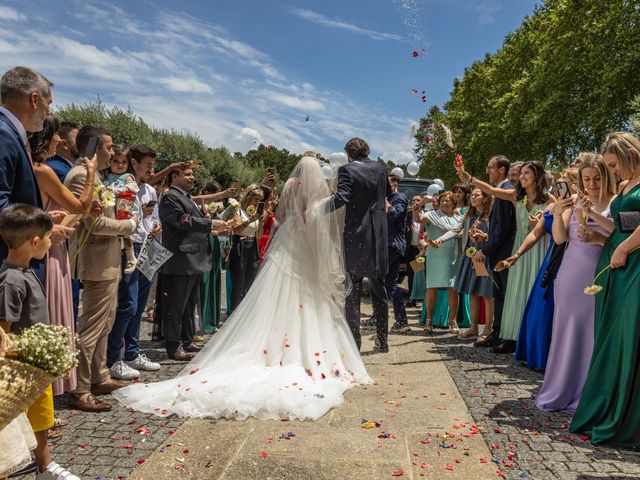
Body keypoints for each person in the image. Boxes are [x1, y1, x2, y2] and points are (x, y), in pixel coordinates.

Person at [114, 156, 371, 420]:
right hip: (303, 246)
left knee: (273, 294)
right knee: (307, 297)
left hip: (287, 243)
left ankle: (264, 344)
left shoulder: (290, 185)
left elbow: (282, 215)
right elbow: (316, 220)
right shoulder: (319, 191)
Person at [570, 132, 640, 449]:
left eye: (614, 165)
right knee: (610, 337)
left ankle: (625, 416)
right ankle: (607, 407)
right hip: (617, 265)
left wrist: (623, 249)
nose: (613, 172)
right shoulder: (626, 185)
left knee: (626, 336)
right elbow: (618, 227)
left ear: (628, 152)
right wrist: (593, 220)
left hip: (633, 265)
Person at [0, 204, 80, 480]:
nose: (51, 242)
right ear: (35, 242)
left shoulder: (25, 268)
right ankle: (40, 466)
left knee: (41, 414)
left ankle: (45, 466)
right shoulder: (11, 280)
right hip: (21, 369)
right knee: (20, 419)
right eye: (48, 237)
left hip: (34, 366)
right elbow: (4, 330)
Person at [64, 125, 139, 412]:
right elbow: (92, 223)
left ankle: (99, 375)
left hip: (107, 260)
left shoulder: (95, 177)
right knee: (92, 327)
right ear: (94, 145)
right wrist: (128, 225)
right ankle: (80, 389)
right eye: (108, 147)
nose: (112, 151)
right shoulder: (82, 175)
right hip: (95, 260)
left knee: (105, 323)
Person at [536, 155, 615, 412]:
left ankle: (588, 394)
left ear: (606, 177)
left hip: (598, 276)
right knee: (566, 332)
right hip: (569, 277)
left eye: (597, 178)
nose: (592, 184)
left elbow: (618, 234)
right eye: (587, 179)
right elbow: (559, 239)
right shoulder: (574, 202)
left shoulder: (615, 202)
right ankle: (561, 389)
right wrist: (559, 212)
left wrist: (593, 222)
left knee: (592, 333)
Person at [29, 115, 97, 396]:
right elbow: (80, 205)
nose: (60, 140)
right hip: (49, 250)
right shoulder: (43, 170)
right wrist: (90, 170)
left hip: (41, 243)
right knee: (52, 320)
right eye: (56, 135)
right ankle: (46, 396)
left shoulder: (30, 168)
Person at [461, 161, 552, 354]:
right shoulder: (515, 196)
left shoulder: (550, 199)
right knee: (516, 292)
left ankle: (532, 339)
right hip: (518, 247)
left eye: (526, 173)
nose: (522, 176)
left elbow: (553, 224)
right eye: (521, 174)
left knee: (532, 292)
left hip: (539, 248)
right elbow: (491, 189)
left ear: (537, 176)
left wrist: (541, 223)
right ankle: (512, 337)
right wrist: (470, 179)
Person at [0, 66, 73, 270]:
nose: (49, 111)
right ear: (34, 99)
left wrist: (44, 219)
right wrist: (43, 227)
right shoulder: (4, 135)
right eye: (48, 103)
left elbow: (12, 204)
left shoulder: (10, 134)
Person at [158, 163, 229, 361]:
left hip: (192, 258)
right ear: (174, 176)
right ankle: (174, 345)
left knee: (190, 304)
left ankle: (187, 339)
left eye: (192, 175)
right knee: (176, 305)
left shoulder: (185, 197)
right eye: (187, 174)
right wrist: (210, 223)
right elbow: (181, 220)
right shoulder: (170, 197)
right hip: (181, 259)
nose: (192, 178)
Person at [107, 144, 162, 380]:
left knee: (139, 304)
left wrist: (155, 225)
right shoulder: (122, 186)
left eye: (153, 165)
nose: (151, 169)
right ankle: (113, 358)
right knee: (127, 303)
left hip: (148, 246)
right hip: (129, 246)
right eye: (147, 165)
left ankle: (132, 352)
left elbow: (154, 219)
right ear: (134, 163)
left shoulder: (150, 190)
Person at [332, 138, 392, 353]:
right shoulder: (381, 169)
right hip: (379, 235)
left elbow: (342, 198)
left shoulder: (347, 170)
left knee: (353, 288)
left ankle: (354, 343)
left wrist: (319, 208)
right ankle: (383, 341)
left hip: (357, 234)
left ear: (349, 154)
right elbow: (387, 196)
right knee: (379, 288)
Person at [465, 156, 516, 348]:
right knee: (498, 293)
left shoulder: (507, 189)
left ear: (501, 169)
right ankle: (498, 332)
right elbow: (497, 229)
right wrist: (485, 238)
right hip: (497, 250)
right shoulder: (501, 190)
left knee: (502, 294)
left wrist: (486, 250)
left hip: (503, 253)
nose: (488, 171)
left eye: (490, 167)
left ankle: (502, 334)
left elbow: (503, 228)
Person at [434, 188, 494, 341]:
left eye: (477, 195)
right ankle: (473, 328)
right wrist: (441, 239)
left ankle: (487, 330)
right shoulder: (468, 216)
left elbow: (495, 237)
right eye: (472, 195)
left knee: (487, 295)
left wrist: (484, 239)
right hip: (470, 257)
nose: (473, 197)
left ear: (485, 198)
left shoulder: (491, 215)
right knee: (472, 292)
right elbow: (455, 230)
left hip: (486, 257)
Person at [420, 191, 463, 334]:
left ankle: (453, 320)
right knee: (432, 288)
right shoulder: (431, 215)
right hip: (435, 256)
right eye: (442, 200)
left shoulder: (459, 218)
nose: (445, 202)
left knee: (453, 289)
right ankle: (429, 320)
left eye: (448, 200)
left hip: (453, 257)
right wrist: (418, 206)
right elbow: (419, 220)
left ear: (453, 203)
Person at [222, 184, 263, 311]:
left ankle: (246, 313)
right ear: (248, 197)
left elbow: (258, 234)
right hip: (240, 246)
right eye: (256, 199)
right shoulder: (237, 209)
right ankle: (235, 314)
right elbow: (236, 229)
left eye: (260, 200)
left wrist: (259, 221)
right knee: (238, 284)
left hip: (252, 247)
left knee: (250, 283)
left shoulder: (254, 212)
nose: (258, 202)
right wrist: (250, 220)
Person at [103, 144, 141, 274]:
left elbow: (133, 189)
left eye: (124, 162)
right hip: (114, 209)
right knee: (116, 233)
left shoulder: (127, 177)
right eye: (116, 162)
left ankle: (131, 258)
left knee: (125, 233)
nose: (120, 165)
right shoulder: (107, 176)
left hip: (127, 207)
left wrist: (115, 190)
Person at [385, 174, 409, 333]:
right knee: (386, 283)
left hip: (392, 245)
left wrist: (383, 199)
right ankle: (399, 320)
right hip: (388, 244)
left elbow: (394, 214)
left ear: (394, 184)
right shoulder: (389, 196)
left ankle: (402, 321)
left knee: (387, 283)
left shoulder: (399, 197)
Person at [405, 194, 424, 307]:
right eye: (413, 200)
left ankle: (423, 298)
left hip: (423, 249)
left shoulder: (426, 215)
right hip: (411, 249)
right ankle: (412, 298)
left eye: (418, 200)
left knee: (422, 274)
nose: (415, 202)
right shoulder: (407, 216)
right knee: (412, 275)